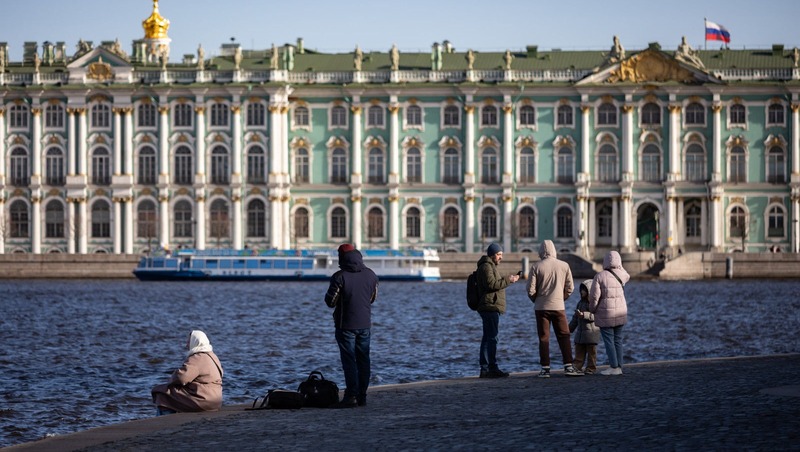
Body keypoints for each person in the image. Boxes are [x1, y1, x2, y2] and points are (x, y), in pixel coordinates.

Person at [324, 243, 379, 408]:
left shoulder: (339, 276)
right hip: (365, 325)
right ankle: (362, 396)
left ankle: (351, 396)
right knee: (364, 360)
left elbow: (330, 302)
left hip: (345, 325)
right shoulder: (371, 275)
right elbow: (372, 298)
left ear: (341, 257)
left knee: (349, 361)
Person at [526, 240, 582, 378]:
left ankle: (545, 369)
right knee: (564, 336)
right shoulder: (564, 265)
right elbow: (571, 287)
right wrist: (561, 298)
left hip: (541, 308)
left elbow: (530, 289)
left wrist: (537, 300)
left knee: (544, 338)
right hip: (558, 307)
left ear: (541, 251)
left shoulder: (536, 266)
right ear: (554, 250)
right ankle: (568, 366)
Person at [151, 330, 223, 415]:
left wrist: (172, 378)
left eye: (189, 342)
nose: (186, 345)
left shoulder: (198, 358)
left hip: (203, 400)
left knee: (161, 393)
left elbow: (182, 377)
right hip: (216, 400)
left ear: (195, 342)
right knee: (175, 394)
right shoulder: (213, 356)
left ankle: (164, 420)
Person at [475, 243, 520, 378]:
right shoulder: (487, 267)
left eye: (501, 255)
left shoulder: (489, 266)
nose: (501, 257)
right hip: (490, 306)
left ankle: (485, 369)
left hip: (490, 306)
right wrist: (509, 280)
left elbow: (493, 282)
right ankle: (491, 368)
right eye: (499, 255)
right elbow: (492, 284)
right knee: (492, 338)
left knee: (487, 338)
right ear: (492, 255)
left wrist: (507, 279)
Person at [589, 250, 630, 376]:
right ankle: (619, 366)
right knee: (618, 340)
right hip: (620, 312)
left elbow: (594, 297)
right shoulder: (623, 275)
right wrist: (619, 266)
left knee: (609, 341)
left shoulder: (599, 276)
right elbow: (627, 275)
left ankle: (613, 366)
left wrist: (592, 309)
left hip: (606, 313)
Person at [569, 280, 600, 375]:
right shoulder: (580, 303)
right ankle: (576, 367)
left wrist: (584, 315)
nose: (582, 292)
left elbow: (597, 316)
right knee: (579, 352)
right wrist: (569, 329)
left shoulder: (594, 303)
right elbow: (575, 318)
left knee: (591, 354)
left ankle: (591, 368)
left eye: (584, 290)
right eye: (581, 290)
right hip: (580, 334)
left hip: (591, 334)